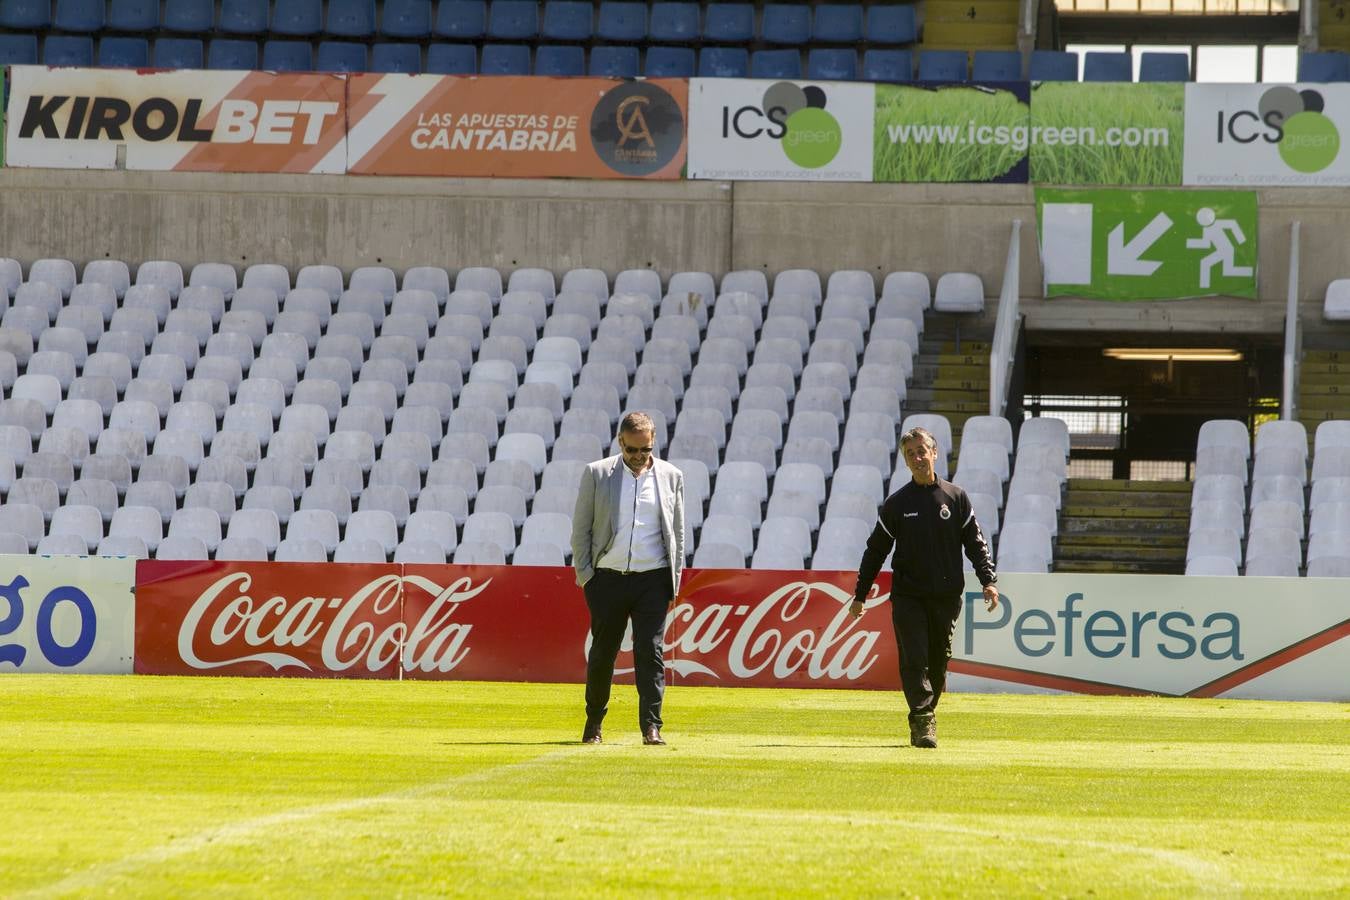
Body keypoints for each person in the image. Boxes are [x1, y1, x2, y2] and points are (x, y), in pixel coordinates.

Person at [848, 426, 999, 749]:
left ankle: (926, 713)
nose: (917, 458)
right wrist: (860, 594)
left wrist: (988, 580)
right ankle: (921, 720)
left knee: (938, 659)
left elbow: (975, 543)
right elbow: (875, 550)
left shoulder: (955, 498)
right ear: (905, 460)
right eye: (910, 454)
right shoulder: (897, 503)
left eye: (921, 451)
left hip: (946, 596)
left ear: (934, 453)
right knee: (914, 657)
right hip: (908, 595)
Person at [571, 411, 685, 746]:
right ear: (620, 441)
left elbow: (677, 531)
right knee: (603, 653)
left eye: (644, 450)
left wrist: (673, 580)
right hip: (607, 579)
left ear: (653, 444)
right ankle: (593, 724)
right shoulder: (597, 474)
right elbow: (581, 530)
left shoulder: (672, 476)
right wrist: (587, 577)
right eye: (632, 450)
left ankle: (652, 727)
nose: (638, 457)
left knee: (650, 653)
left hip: (653, 578)